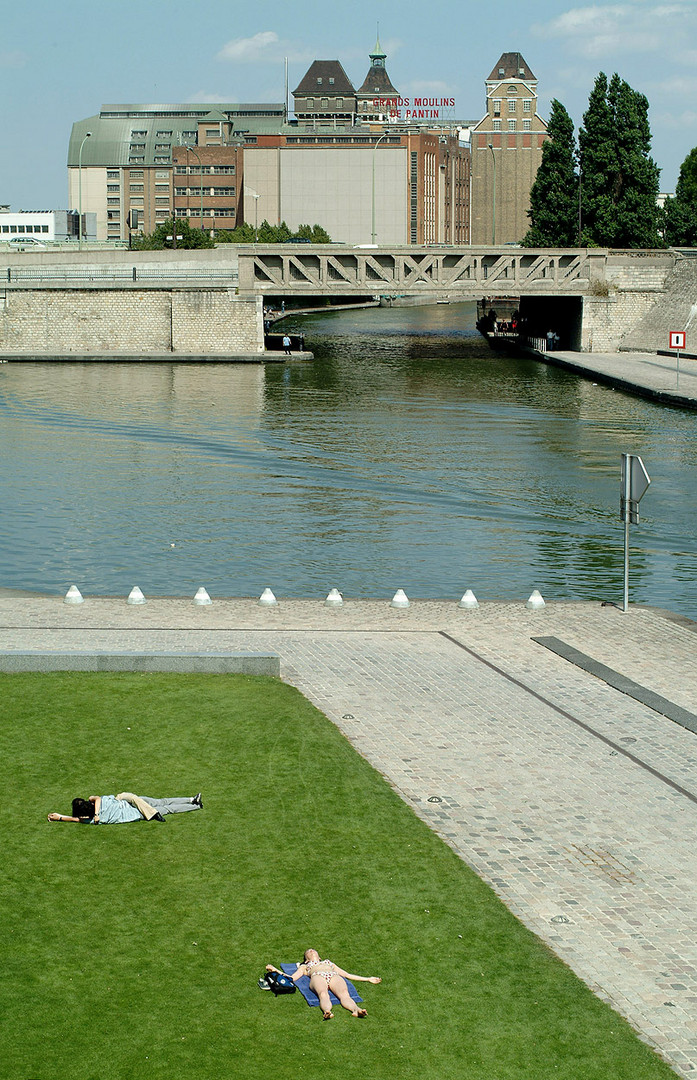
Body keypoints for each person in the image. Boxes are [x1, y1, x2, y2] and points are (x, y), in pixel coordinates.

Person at [266, 948, 381, 1020]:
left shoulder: (329, 962)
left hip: (333, 975)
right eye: (308, 952)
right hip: (317, 976)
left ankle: (356, 1010)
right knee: (323, 994)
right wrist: (275, 970)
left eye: (313, 950)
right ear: (306, 960)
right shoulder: (305, 966)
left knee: (345, 994)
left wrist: (368, 979)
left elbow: (347, 975)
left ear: (319, 957)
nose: (311, 950)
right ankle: (327, 1011)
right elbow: (291, 978)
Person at [47, 791, 203, 824]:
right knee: (164, 803)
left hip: (135, 807)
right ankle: (193, 802)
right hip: (135, 806)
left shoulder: (95, 817)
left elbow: (75, 819)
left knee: (165, 806)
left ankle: (192, 801)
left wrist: (60, 817)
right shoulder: (97, 805)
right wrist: (60, 817)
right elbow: (95, 798)